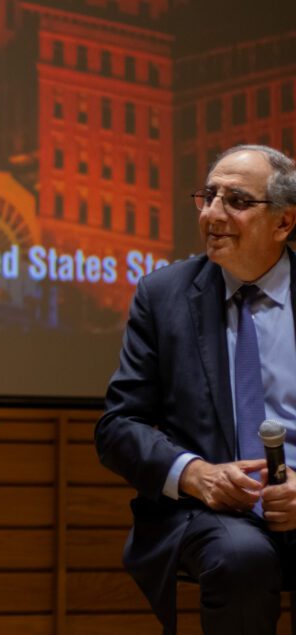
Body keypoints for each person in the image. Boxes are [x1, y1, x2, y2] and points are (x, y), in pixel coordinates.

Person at [96, 144, 296, 634]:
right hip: (211, 512)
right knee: (241, 556)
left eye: (236, 201)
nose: (212, 214)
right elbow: (119, 427)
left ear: (284, 222)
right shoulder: (163, 296)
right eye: (207, 197)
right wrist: (195, 474)